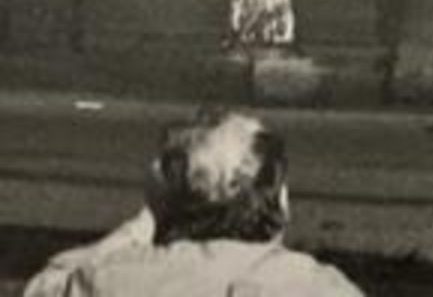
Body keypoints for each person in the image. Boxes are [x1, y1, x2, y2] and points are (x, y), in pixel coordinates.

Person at [23, 108, 364, 296]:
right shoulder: (318, 287)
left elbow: (42, 289)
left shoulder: (113, 278)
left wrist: (142, 225)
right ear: (281, 200)